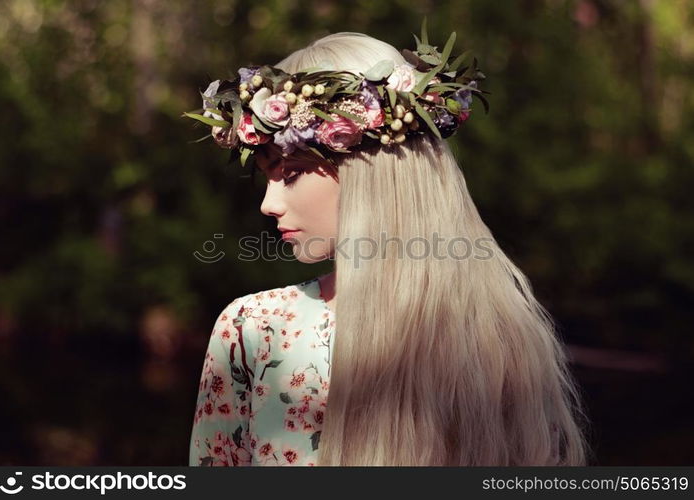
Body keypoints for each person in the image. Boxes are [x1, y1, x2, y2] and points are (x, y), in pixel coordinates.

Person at [187, 30, 590, 466]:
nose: (268, 204)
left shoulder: (259, 330)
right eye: (267, 177)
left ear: (369, 171)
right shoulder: (507, 331)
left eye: (291, 173)